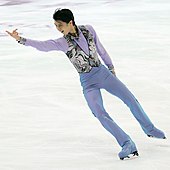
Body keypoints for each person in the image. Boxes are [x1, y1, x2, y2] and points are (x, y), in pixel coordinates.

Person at [6, 8, 166, 160]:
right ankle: (127, 144)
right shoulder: (63, 42)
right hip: (88, 81)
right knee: (99, 112)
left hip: (103, 74)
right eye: (55, 25)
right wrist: (21, 39)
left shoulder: (88, 30)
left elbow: (101, 50)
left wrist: (110, 68)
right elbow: (43, 46)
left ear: (70, 22)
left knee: (130, 99)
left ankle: (150, 129)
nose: (58, 28)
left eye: (60, 25)